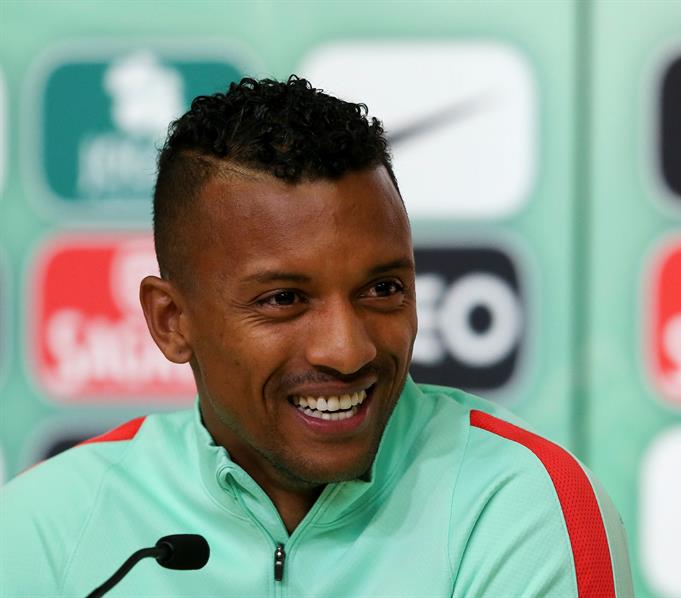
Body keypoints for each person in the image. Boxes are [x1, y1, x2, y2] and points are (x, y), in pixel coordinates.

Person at [0, 76, 632, 597]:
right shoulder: (45, 526)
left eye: (382, 289)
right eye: (284, 299)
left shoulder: (521, 506)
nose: (348, 350)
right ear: (171, 321)